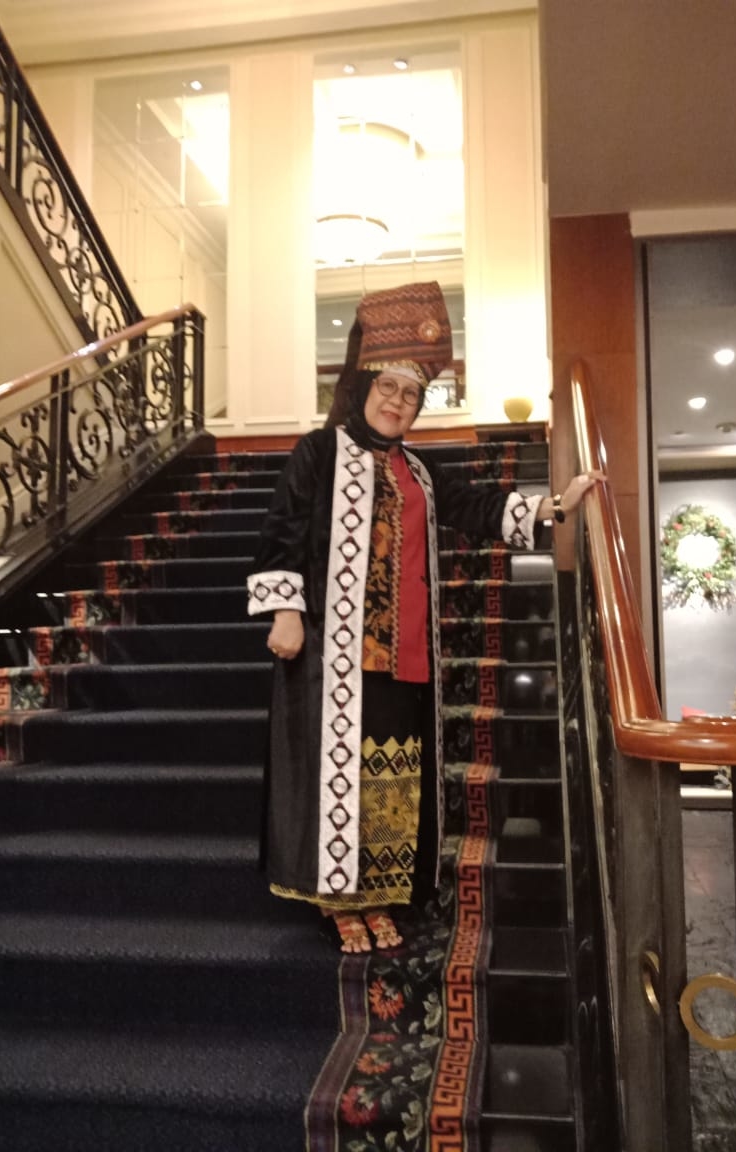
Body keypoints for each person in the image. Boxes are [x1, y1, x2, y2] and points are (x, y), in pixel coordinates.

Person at [247, 281, 601, 953]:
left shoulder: (420, 470)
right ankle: (338, 901)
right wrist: (286, 611)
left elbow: (477, 508)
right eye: (388, 388)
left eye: (411, 395)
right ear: (364, 386)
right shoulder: (318, 453)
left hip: (405, 656)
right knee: (338, 777)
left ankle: (379, 893)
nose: (398, 402)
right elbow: (282, 532)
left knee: (393, 778)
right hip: (332, 655)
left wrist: (557, 503)